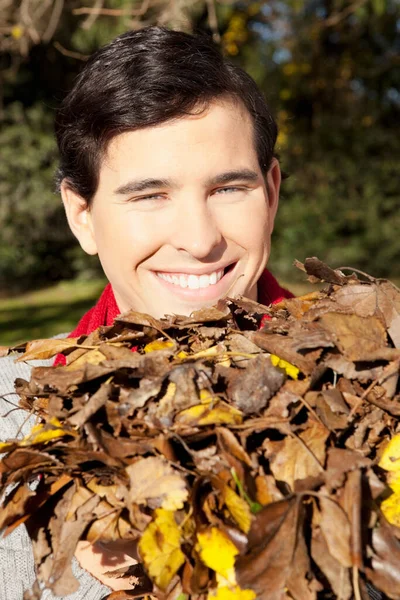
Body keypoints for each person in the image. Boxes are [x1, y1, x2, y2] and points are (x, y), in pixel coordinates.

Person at [0, 25, 382, 600]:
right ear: (82, 215)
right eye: (150, 195)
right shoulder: (12, 415)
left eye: (229, 188)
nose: (200, 240)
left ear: (271, 193)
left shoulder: (376, 382)